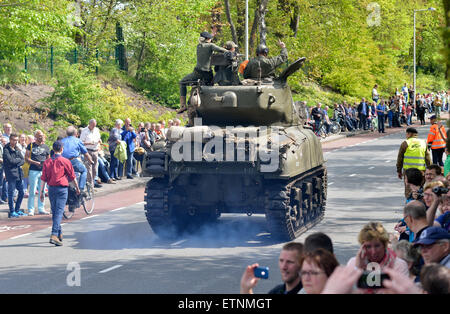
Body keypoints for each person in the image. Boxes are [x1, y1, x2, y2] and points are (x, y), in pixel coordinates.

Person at [40, 140, 80, 246]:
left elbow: (43, 178)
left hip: (51, 188)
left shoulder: (47, 162)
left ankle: (59, 232)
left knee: (55, 211)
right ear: (62, 149)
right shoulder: (65, 161)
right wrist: (77, 188)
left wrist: (41, 192)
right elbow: (72, 177)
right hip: (62, 189)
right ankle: (54, 234)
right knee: (58, 212)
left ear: (53, 149)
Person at [347, 222, 410, 288]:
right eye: (368, 246)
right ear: (362, 247)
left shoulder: (398, 265)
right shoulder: (353, 263)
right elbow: (348, 290)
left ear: (384, 245)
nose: (373, 252)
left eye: (377, 246)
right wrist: (358, 268)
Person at [178, 31, 228, 114]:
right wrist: (230, 52)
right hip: (207, 74)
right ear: (208, 39)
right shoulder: (210, 46)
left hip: (197, 73)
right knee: (212, 86)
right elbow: (221, 50)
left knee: (183, 82)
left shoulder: (199, 46)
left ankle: (183, 105)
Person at [396, 127, 431, 198]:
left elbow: (400, 158)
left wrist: (399, 171)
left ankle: (410, 206)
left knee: (409, 192)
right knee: (419, 191)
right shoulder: (423, 142)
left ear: (409, 134)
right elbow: (428, 158)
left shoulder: (405, 143)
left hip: (408, 172)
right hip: (421, 171)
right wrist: (430, 170)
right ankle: (420, 206)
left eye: (406, 134)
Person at [61, 126, 93, 193]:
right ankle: (81, 189)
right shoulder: (78, 141)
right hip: (73, 161)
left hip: (62, 162)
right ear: (75, 133)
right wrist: (90, 160)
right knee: (84, 171)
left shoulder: (62, 141)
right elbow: (85, 153)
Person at [25, 130, 50, 216]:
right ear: (35, 136)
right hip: (33, 170)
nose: (41, 137)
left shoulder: (46, 147)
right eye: (39, 135)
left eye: (42, 135)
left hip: (43, 171)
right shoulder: (31, 145)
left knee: (42, 191)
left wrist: (47, 168)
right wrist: (35, 162)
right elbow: (27, 158)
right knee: (32, 191)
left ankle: (41, 208)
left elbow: (48, 160)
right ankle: (31, 209)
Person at [2, 134, 26, 218]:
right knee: (11, 193)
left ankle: (17, 209)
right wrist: (17, 161)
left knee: (22, 192)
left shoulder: (16, 148)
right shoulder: (6, 149)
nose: (15, 142)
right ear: (10, 140)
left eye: (16, 140)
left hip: (19, 173)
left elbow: (23, 160)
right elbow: (10, 161)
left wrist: (16, 161)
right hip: (11, 174)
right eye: (13, 140)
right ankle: (12, 211)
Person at [80, 119, 102, 188]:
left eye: (95, 126)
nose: (93, 127)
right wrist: (89, 143)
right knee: (89, 169)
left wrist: (99, 141)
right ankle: (90, 186)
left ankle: (91, 182)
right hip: (88, 151)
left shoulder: (96, 130)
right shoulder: (84, 131)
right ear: (89, 124)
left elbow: (99, 139)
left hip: (95, 150)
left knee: (95, 169)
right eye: (92, 125)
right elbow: (81, 142)